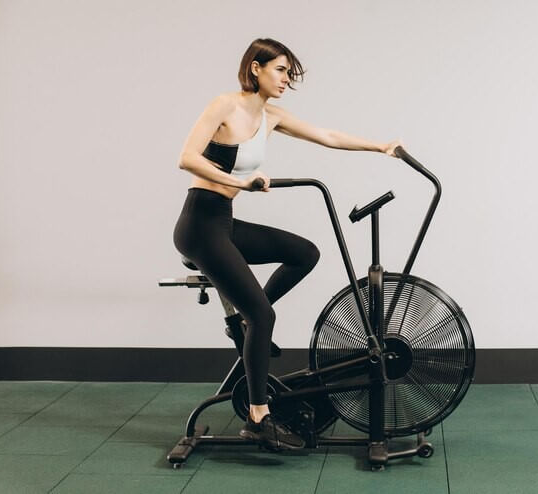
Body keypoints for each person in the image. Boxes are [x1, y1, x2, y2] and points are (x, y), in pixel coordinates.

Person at [173, 38, 403, 451]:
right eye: (280, 70)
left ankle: (248, 321)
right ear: (256, 68)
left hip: (224, 222)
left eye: (289, 73)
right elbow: (187, 157)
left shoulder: (271, 117)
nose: (286, 80)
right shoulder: (225, 105)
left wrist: (380, 145)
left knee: (304, 253)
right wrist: (240, 182)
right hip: (199, 225)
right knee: (264, 316)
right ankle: (259, 418)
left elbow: (327, 136)